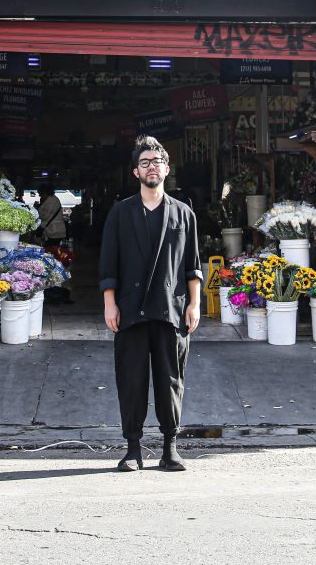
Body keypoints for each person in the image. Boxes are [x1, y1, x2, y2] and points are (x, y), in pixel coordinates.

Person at [98, 136, 202, 472]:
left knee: (171, 379)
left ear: (167, 169)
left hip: (171, 309)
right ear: (136, 172)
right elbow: (108, 263)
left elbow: (193, 266)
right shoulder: (120, 212)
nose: (151, 167)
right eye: (145, 163)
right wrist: (110, 304)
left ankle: (170, 447)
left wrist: (195, 304)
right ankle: (133, 449)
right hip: (130, 309)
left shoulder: (183, 213)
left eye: (157, 162)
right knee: (131, 380)